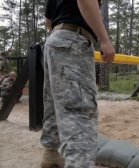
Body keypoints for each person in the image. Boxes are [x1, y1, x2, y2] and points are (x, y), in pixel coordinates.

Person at [41, 0, 115, 167]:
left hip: (54, 42)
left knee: (53, 103)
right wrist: (104, 39)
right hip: (74, 40)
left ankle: (51, 154)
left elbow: (48, 22)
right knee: (80, 113)